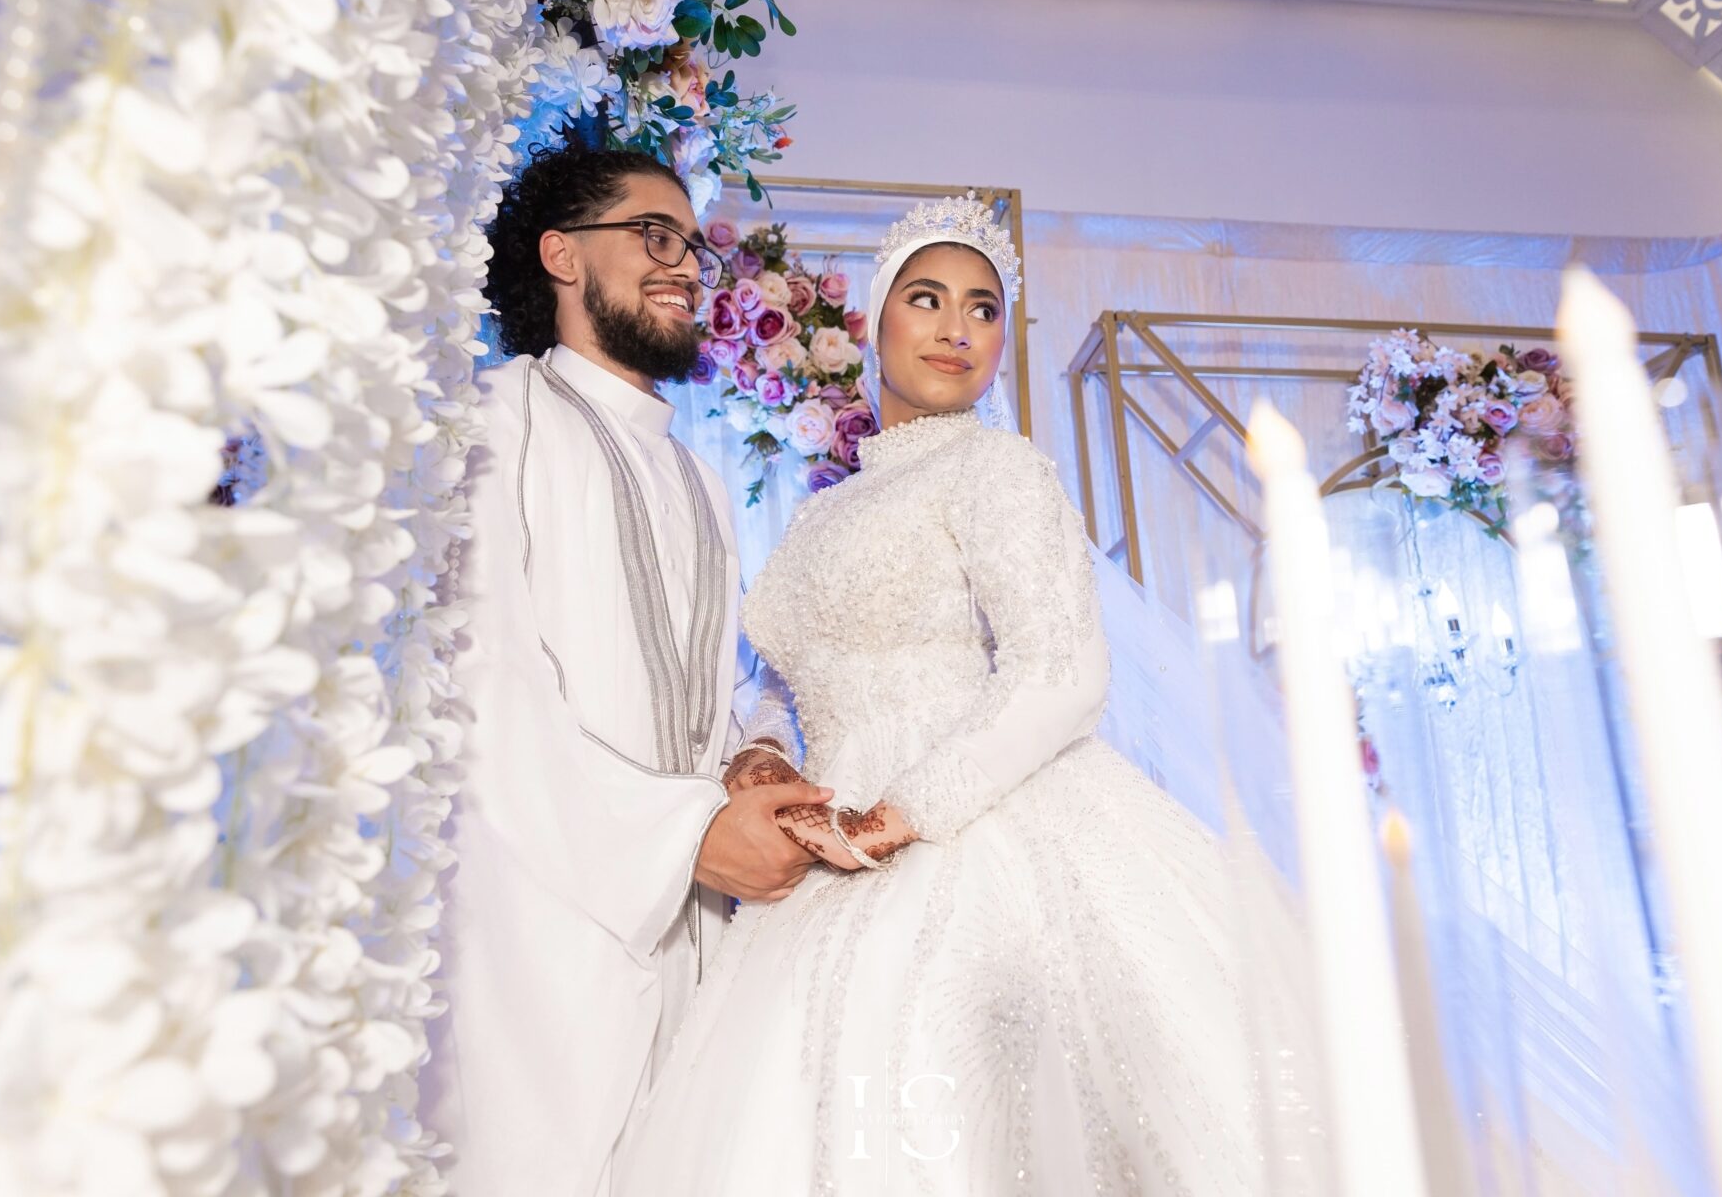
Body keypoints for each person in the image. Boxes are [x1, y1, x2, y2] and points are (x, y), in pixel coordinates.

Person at [612, 196, 1333, 1194]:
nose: (957, 327)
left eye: (983, 309)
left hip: (971, 819)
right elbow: (788, 671)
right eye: (928, 298)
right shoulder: (821, 513)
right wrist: (763, 754)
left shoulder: (996, 465)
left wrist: (903, 812)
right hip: (824, 840)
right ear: (875, 323)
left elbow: (1063, 670)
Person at [419, 143, 835, 1197]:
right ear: (562, 254)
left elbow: (705, 688)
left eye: (692, 246)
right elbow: (482, 685)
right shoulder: (495, 419)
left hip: (695, 932)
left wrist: (748, 760)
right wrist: (687, 834)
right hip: (541, 936)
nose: (684, 265)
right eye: (654, 236)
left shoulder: (696, 477)